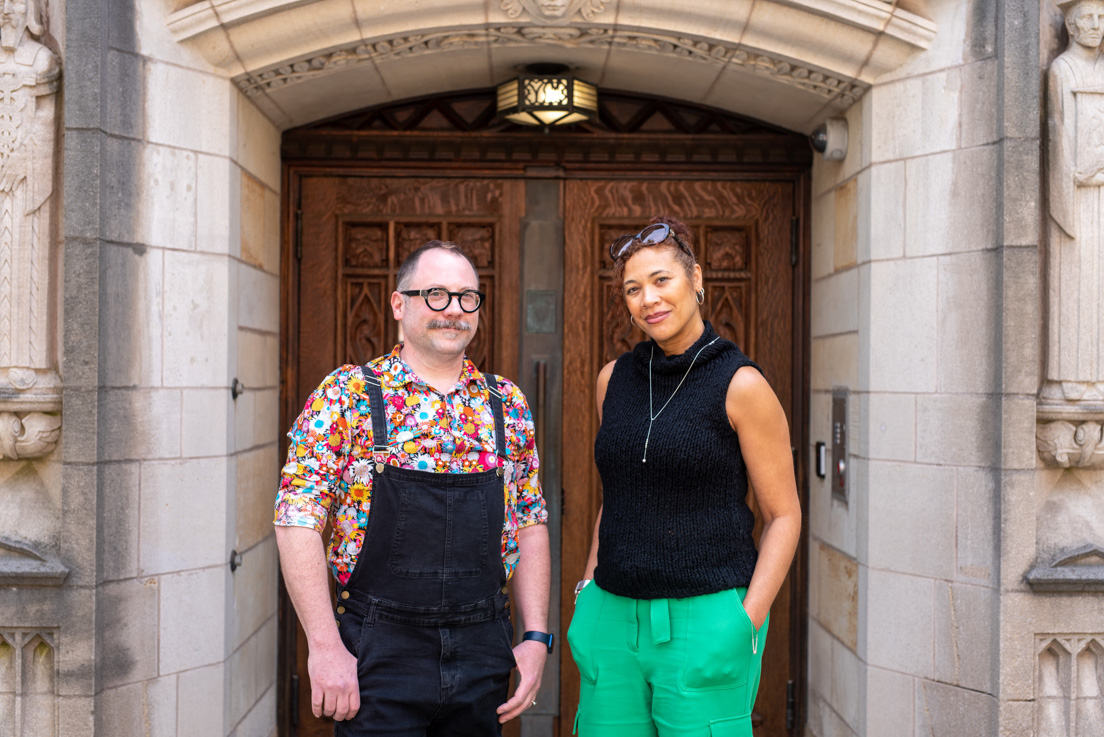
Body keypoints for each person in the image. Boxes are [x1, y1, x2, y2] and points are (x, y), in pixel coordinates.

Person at [275, 240, 553, 736]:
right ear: (399, 304)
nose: (454, 311)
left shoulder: (506, 403)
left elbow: (530, 523)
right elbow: (297, 520)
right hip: (379, 652)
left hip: (482, 647)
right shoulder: (349, 395)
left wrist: (535, 638)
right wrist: (324, 646)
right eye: (436, 295)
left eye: (468, 297)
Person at [567, 216, 801, 736]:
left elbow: (783, 515)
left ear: (696, 278)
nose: (648, 299)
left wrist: (748, 619)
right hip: (611, 617)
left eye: (661, 280)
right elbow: (618, 494)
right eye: (633, 289)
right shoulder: (614, 379)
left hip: (706, 619)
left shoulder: (740, 384)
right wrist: (587, 589)